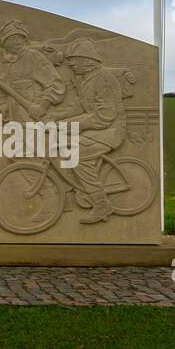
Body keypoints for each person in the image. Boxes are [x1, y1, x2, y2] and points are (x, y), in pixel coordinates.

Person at [62, 39, 126, 224]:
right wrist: (56, 117)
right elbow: (78, 106)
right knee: (61, 145)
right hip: (99, 128)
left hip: (110, 131)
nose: (70, 64)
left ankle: (101, 204)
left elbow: (105, 115)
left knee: (79, 158)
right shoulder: (87, 79)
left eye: (73, 60)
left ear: (86, 60)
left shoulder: (103, 78)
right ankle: (72, 192)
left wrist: (74, 124)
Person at [0, 19, 65, 121]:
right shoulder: (12, 63)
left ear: (25, 40)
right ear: (5, 45)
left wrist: (43, 107)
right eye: (11, 39)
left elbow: (55, 84)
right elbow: (15, 90)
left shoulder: (33, 56)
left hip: (35, 118)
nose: (16, 42)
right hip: (17, 118)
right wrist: (8, 107)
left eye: (19, 37)